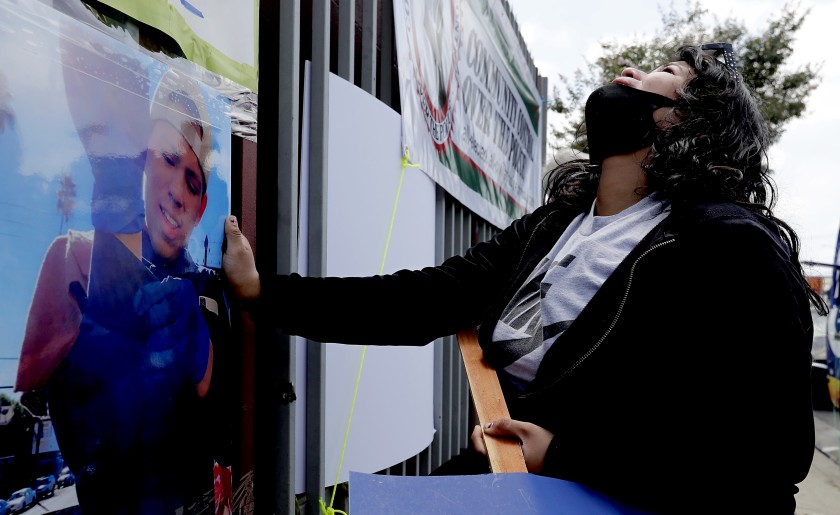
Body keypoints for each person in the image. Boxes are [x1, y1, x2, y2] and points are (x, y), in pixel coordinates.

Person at [222, 44, 825, 514]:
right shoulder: (556, 224)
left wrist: (567, 456)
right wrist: (265, 293)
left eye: (664, 70)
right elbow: (424, 298)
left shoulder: (728, 245)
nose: (629, 72)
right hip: (523, 484)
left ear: (689, 120)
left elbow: (769, 460)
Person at [15, 66, 233, 514]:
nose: (177, 192)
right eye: (168, 159)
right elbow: (34, 399)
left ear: (202, 208)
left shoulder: (208, 292)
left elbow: (228, 426)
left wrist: (202, 357)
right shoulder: (75, 259)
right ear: (140, 158)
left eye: (193, 184)